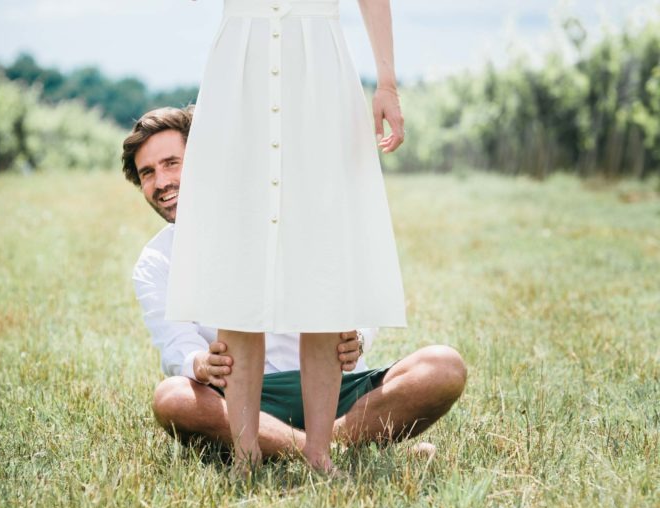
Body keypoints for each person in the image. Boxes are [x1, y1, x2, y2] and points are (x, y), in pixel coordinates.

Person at [122, 106, 467, 465]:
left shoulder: (279, 217)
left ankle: (295, 446)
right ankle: (326, 451)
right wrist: (201, 364)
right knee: (173, 398)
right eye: (148, 173)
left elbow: (350, 286)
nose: (161, 182)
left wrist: (359, 336)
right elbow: (177, 346)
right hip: (243, 399)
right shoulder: (156, 262)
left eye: (172, 163)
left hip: (337, 390)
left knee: (443, 366)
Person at [166, 0, 413, 474]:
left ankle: (319, 454)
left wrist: (387, 84)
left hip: (319, 69)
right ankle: (245, 454)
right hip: (240, 69)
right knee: (238, 258)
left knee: (322, 257)